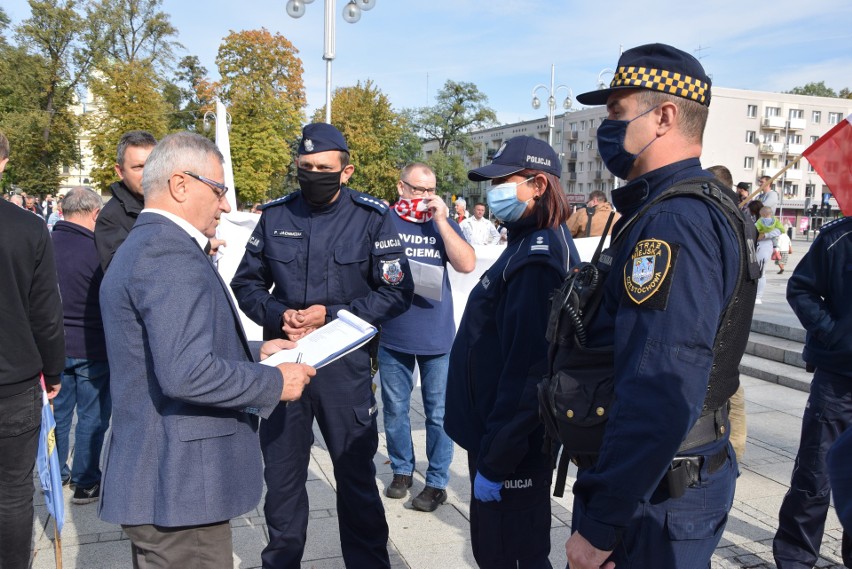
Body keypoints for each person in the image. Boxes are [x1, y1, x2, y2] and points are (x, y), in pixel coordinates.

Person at [560, 43, 757, 568]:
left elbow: (661, 386)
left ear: (664, 116)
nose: (608, 129)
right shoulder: (687, 206)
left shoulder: (674, 222)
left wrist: (602, 524)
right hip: (668, 479)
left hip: (656, 496)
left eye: (618, 115)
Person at [97, 132, 315, 568]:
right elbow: (186, 372)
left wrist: (253, 350)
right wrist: (274, 381)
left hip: (170, 482)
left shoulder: (153, 243)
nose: (226, 205)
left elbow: (166, 346)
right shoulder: (167, 252)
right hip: (179, 488)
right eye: (218, 190)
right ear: (181, 184)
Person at [231, 122, 414, 568]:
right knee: (283, 480)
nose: (314, 174)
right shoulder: (276, 215)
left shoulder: (373, 217)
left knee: (355, 478)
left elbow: (396, 291)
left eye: (325, 168)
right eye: (306, 166)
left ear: (346, 171)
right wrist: (280, 315)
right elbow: (246, 283)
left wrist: (330, 315)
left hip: (344, 369)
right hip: (287, 365)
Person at [444, 135, 579, 567]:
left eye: (504, 181)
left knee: (510, 554)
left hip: (512, 449)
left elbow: (528, 373)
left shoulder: (536, 259)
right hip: (498, 436)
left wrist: (498, 461)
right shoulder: (529, 239)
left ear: (538, 185)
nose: (493, 192)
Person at [379, 163, 475, 511]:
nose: (424, 197)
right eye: (418, 190)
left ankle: (436, 482)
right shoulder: (384, 220)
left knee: (438, 413)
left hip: (437, 336)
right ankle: (402, 470)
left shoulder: (443, 223)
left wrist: (441, 221)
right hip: (394, 332)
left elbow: (466, 264)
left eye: (430, 190)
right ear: (401, 187)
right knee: (395, 410)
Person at [0, 130, 65, 569]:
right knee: (12, 493)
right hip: (14, 380)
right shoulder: (26, 227)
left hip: (16, 379)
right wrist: (54, 372)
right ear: (4, 161)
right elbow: (46, 313)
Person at [774, 215, 852, 569]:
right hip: (839, 379)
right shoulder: (839, 237)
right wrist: (836, 335)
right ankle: (795, 559)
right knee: (814, 473)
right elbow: (801, 288)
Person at [51, 187, 111, 504]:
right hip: (92, 346)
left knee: (58, 416)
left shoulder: (45, 245)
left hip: (53, 346)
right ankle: (86, 482)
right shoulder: (98, 251)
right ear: (95, 214)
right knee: (92, 417)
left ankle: (55, 474)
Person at [707, 164, 748, 462]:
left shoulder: (731, 223)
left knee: (730, 395)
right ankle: (734, 452)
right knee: (733, 392)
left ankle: (732, 453)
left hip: (720, 329)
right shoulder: (741, 221)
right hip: (729, 331)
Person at [94, 130, 156, 271]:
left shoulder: (171, 203)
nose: (148, 173)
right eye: (138, 167)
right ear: (120, 171)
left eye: (153, 165)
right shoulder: (110, 219)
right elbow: (120, 275)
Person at [755, 205, 784, 304]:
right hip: (759, 245)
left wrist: (765, 235)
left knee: (761, 271)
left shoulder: (770, 221)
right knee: (759, 272)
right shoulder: (763, 221)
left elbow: (779, 230)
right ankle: (756, 295)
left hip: (764, 246)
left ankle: (758, 296)